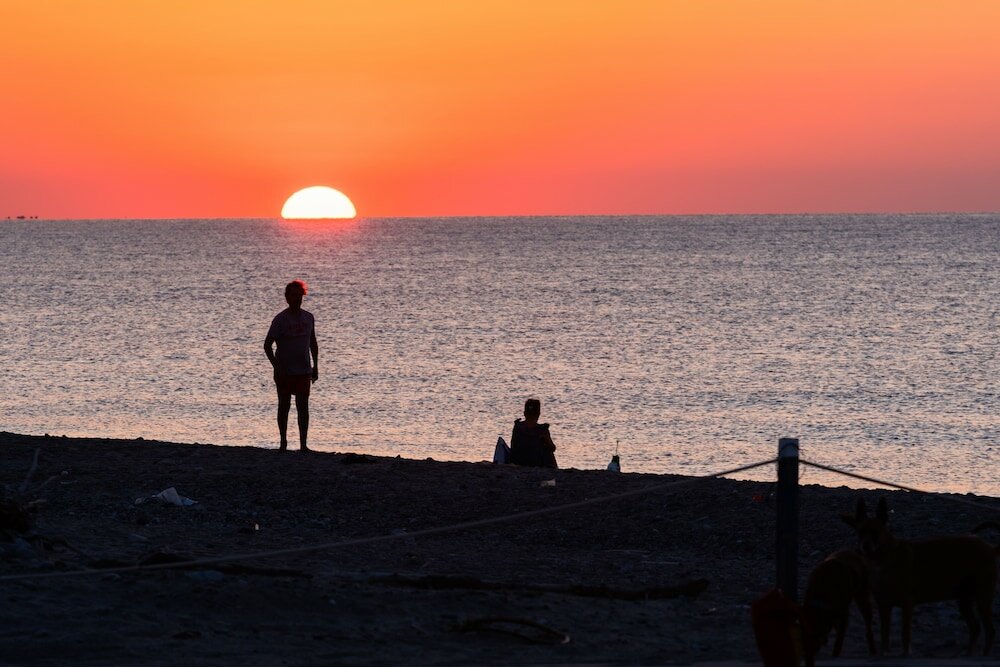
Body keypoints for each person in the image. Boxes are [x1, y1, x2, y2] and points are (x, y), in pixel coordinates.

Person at [264, 280, 318, 451]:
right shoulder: (280, 320)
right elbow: (267, 345)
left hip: (303, 370)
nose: (297, 299)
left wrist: (315, 366)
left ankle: (303, 445)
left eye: (299, 296)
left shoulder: (309, 317)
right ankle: (283, 443)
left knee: (303, 407)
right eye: (293, 296)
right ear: (287, 298)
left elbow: (313, 342)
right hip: (285, 371)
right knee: (284, 406)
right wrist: (276, 366)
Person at [509, 398, 558, 468]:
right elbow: (552, 448)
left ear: (524, 413)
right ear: (538, 414)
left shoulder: (518, 426)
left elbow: (513, 445)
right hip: (537, 462)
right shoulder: (542, 429)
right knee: (548, 449)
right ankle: (554, 469)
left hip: (518, 460)